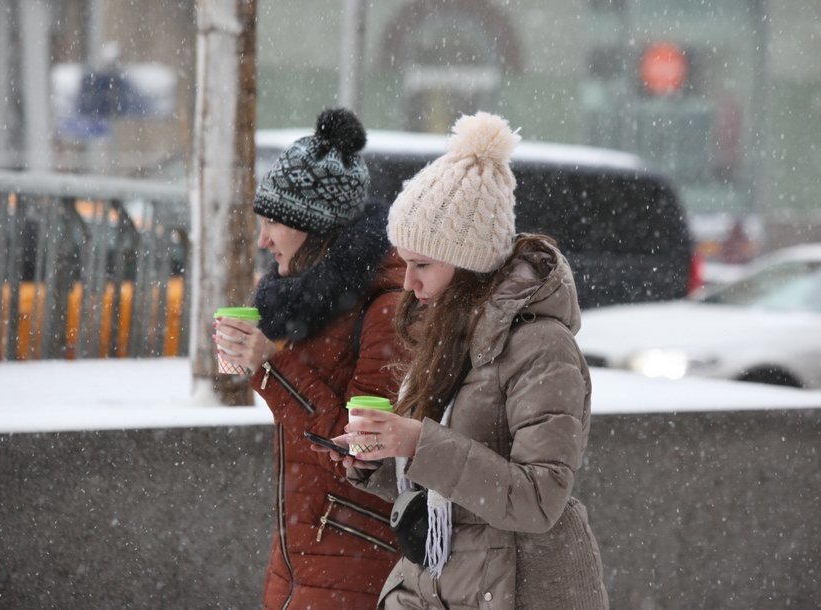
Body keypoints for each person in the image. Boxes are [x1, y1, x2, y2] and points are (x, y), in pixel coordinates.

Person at [336, 111, 609, 609]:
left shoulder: (542, 348)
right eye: (404, 263)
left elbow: (538, 498)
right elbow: (445, 480)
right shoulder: (447, 336)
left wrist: (418, 441)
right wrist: (376, 460)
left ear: (469, 264)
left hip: (512, 589)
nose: (409, 284)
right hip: (442, 584)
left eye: (423, 265)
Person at [214, 107, 404, 610]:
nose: (263, 239)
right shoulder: (304, 302)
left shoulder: (384, 307)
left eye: (275, 221)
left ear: (316, 227)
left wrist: (269, 367)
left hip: (356, 561)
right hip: (302, 553)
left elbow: (362, 447)